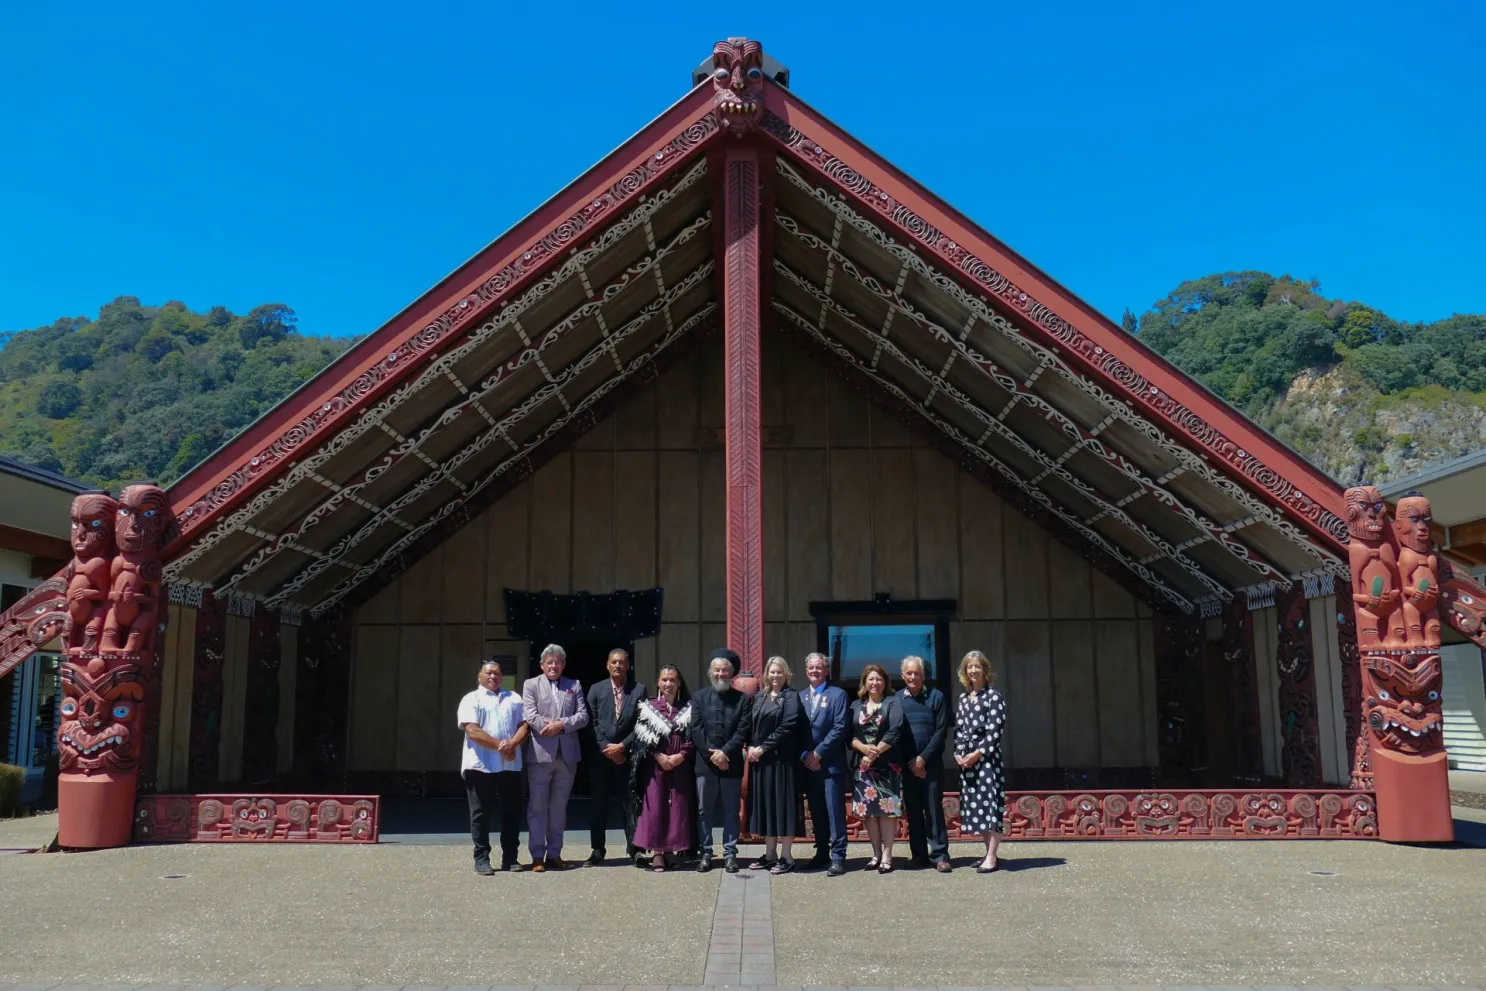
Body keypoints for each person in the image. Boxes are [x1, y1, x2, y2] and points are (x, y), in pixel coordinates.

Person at [521, 643, 590, 872]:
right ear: (541, 665)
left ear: (563, 665)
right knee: (538, 807)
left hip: (566, 756)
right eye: (549, 662)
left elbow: (583, 716)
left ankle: (555, 854)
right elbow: (530, 714)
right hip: (540, 754)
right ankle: (537, 856)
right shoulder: (530, 685)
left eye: (558, 662)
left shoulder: (574, 685)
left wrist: (562, 725)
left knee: (559, 808)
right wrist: (547, 728)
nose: (553, 666)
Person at [456, 660, 529, 874]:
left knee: (512, 812)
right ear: (479, 676)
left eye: (497, 673)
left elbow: (524, 725)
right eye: (488, 673)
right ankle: (481, 858)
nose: (493, 677)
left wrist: (513, 744)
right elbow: (472, 730)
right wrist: (501, 746)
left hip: (510, 766)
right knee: (480, 813)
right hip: (480, 766)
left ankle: (510, 858)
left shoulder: (514, 698)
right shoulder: (471, 699)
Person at [690, 647, 754, 873]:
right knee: (704, 811)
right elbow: (696, 729)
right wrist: (712, 755)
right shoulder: (698, 697)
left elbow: (743, 729)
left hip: (731, 763)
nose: (720, 675)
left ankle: (730, 854)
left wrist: (725, 752)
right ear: (711, 672)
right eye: (716, 671)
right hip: (705, 764)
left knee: (731, 811)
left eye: (724, 671)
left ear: (731, 673)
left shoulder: (743, 700)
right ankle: (706, 852)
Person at [629, 664, 696, 872]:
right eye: (664, 680)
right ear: (658, 682)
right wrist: (659, 757)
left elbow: (693, 737)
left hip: (680, 765)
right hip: (655, 767)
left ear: (679, 683)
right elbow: (641, 741)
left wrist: (681, 755)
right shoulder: (648, 707)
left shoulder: (688, 707)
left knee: (677, 807)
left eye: (672, 680)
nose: (668, 684)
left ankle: (671, 851)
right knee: (656, 807)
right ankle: (657, 852)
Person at [585, 648, 647, 865]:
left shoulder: (639, 690)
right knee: (598, 805)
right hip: (601, 759)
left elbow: (642, 724)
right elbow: (591, 722)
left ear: (628, 665)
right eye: (614, 662)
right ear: (607, 665)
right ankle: (597, 849)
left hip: (627, 757)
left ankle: (636, 850)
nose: (618, 666)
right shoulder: (596, 689)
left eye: (622, 662)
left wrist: (621, 746)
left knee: (630, 804)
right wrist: (606, 748)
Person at [746, 656, 803, 874]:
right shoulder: (760, 696)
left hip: (782, 762)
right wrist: (750, 747)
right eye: (772, 672)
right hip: (762, 762)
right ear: (766, 674)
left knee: (783, 807)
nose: (776, 676)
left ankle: (787, 856)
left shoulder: (790, 697)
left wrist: (762, 747)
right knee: (767, 807)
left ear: (786, 674)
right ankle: (770, 854)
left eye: (780, 672)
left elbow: (787, 726)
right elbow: (754, 727)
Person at [954, 649, 1008, 873]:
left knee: (992, 806)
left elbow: (995, 732)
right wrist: (958, 753)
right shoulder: (964, 698)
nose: (973, 670)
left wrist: (977, 754)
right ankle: (988, 853)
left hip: (986, 760)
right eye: (969, 667)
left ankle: (992, 857)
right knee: (980, 808)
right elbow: (959, 729)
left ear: (985, 669)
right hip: (968, 762)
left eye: (977, 666)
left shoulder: (993, 696)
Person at [897, 654, 952, 872]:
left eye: (916, 673)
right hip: (908, 766)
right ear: (903, 676)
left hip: (931, 765)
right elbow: (895, 733)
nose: (913, 677)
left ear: (923, 675)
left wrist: (922, 759)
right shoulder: (897, 700)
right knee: (913, 811)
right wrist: (910, 762)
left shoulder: (936, 697)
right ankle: (918, 855)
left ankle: (940, 855)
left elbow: (940, 732)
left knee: (933, 811)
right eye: (909, 673)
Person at [798, 651, 850, 876]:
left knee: (834, 811)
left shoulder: (838, 695)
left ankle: (838, 857)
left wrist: (817, 754)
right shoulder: (799, 697)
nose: (814, 671)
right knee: (817, 811)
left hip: (830, 765)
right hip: (809, 766)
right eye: (811, 668)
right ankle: (821, 853)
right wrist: (804, 756)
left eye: (819, 667)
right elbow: (795, 730)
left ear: (827, 671)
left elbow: (840, 728)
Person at [850, 663, 904, 873]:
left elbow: (895, 731)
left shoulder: (893, 703)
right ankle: (876, 854)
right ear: (865, 682)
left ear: (885, 682)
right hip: (863, 768)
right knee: (869, 813)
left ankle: (888, 855)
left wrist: (874, 753)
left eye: (878, 679)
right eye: (870, 679)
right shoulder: (855, 705)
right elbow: (849, 736)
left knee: (887, 813)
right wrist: (864, 749)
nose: (875, 683)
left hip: (886, 766)